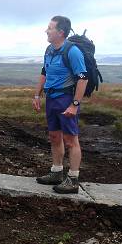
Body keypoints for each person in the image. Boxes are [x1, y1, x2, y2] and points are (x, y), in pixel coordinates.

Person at [32, 16, 88, 194]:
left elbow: (83, 78)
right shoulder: (49, 49)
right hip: (51, 99)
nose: (46, 31)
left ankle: (73, 179)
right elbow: (44, 72)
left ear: (61, 32)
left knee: (71, 140)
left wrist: (75, 105)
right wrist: (37, 94)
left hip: (66, 99)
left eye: (50, 28)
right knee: (55, 137)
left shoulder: (72, 51)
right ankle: (56, 172)